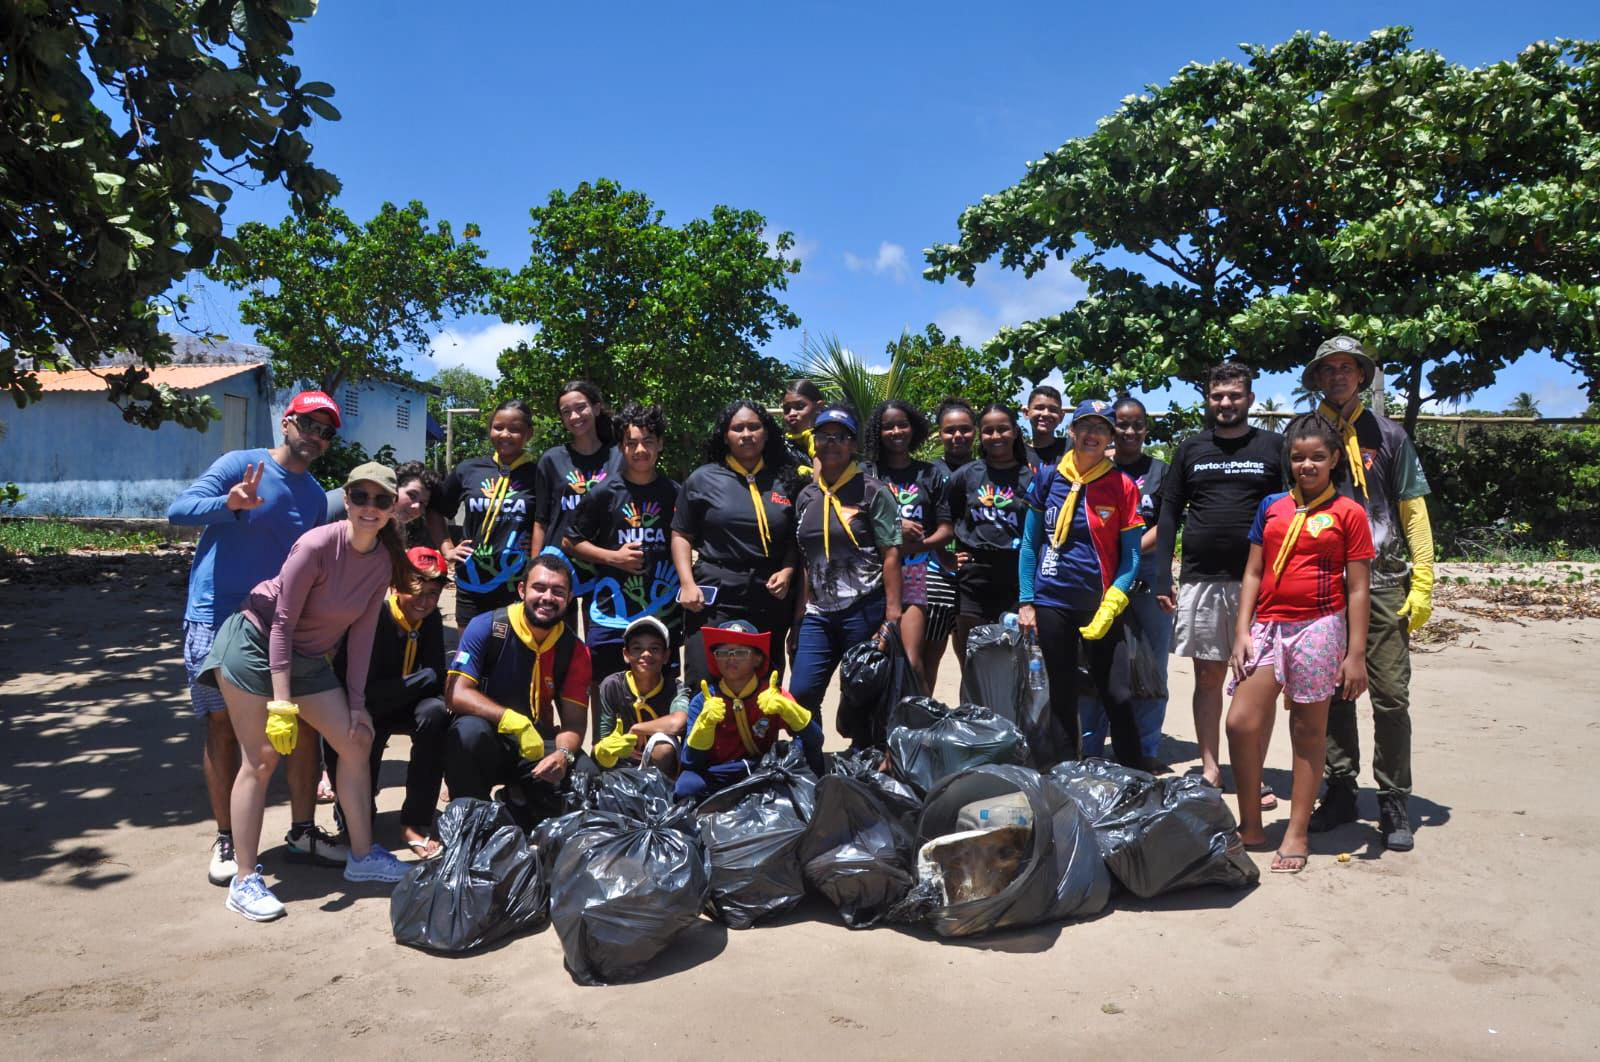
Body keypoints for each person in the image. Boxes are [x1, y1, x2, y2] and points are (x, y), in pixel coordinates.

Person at [198, 463, 418, 920]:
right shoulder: (317, 544)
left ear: (393, 508)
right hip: (254, 645)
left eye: (381, 500)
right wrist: (281, 703)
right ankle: (243, 879)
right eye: (360, 497)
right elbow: (281, 623)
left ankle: (361, 857)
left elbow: (360, 636)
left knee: (357, 738)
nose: (369, 508)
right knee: (261, 758)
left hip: (310, 659)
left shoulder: (382, 561)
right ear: (347, 497)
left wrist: (356, 704)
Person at [168, 389, 346, 887]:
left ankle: (304, 830)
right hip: (213, 616)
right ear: (286, 422)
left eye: (326, 431)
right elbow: (178, 511)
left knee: (302, 724)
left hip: (275, 624)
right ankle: (226, 836)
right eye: (308, 425)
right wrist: (229, 504)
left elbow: (305, 564)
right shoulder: (239, 464)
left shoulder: (313, 495)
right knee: (222, 726)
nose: (315, 436)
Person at [1226, 412, 1373, 873]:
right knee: (1241, 722)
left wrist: (1355, 654)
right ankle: (1250, 822)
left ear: (1333, 461)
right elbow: (1253, 571)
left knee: (1309, 730)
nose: (1306, 465)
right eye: (1297, 457)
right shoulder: (1271, 506)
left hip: (1320, 626)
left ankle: (1296, 831)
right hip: (1267, 625)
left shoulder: (1348, 512)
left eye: (1317, 457)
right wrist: (1241, 631)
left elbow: (1358, 587)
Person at [1305, 335, 1435, 851]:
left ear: (1363, 376)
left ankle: (1394, 796)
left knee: (1390, 694)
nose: (1338, 375)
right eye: (1328, 368)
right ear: (1317, 378)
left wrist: (1422, 576)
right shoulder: (1303, 434)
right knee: (1332, 692)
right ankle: (1339, 788)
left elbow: (1412, 506)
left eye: (1348, 367)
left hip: (1381, 581)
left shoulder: (1390, 435)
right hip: (1322, 583)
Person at [1153, 363, 1286, 794]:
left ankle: (1253, 773)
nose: (1225, 403)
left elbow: (1291, 511)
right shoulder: (1190, 449)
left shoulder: (1274, 447)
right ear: (1207, 399)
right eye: (1217, 396)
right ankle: (1210, 767)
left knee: (1255, 683)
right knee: (1207, 679)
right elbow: (1169, 513)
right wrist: (1161, 577)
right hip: (1201, 580)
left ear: (1249, 398)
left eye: (1234, 395)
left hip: (1261, 582)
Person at [1018, 400, 1146, 766]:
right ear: (1071, 431)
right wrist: (1028, 601)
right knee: (1062, 694)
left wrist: (1113, 602)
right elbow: (1030, 544)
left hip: (1101, 603)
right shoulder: (1047, 477)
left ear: (1111, 438)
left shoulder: (1121, 485)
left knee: (1117, 694)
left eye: (1101, 429)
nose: (1092, 435)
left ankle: (1134, 778)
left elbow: (1132, 557)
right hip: (1052, 599)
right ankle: (1064, 774)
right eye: (1085, 427)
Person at [442, 553, 593, 827]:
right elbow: (456, 693)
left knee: (585, 772)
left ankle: (519, 801)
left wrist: (564, 754)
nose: (548, 597)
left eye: (558, 591)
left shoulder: (575, 649)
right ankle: (470, 823)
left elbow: (573, 723)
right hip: (489, 737)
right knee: (466, 734)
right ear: (522, 590)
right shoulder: (487, 626)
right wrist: (511, 720)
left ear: (569, 599)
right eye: (539, 588)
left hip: (536, 744)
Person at [328, 545, 451, 860]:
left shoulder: (431, 619)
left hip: (403, 703)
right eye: (417, 592)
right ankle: (353, 811)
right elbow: (359, 687)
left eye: (433, 595)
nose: (424, 602)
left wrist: (417, 682)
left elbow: (436, 675)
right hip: (363, 709)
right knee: (357, 819)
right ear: (396, 586)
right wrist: (421, 679)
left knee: (436, 714)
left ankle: (415, 822)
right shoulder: (372, 617)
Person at [671, 399, 801, 690]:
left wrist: (789, 570)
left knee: (764, 684)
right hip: (715, 594)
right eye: (737, 428)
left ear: (766, 433)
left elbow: (795, 538)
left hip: (768, 595)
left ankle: (761, 736)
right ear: (725, 435)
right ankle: (699, 735)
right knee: (704, 678)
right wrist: (687, 583)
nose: (746, 434)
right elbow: (681, 534)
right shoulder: (703, 479)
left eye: (754, 427)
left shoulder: (786, 479)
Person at [788, 407, 904, 727]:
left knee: (863, 690)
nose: (831, 443)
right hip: (819, 614)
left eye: (841, 437)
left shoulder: (873, 491)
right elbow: (806, 561)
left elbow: (891, 553)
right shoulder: (806, 496)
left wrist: (892, 618)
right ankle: (809, 762)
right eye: (824, 435)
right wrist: (799, 619)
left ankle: (862, 763)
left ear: (853, 445)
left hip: (864, 608)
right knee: (801, 694)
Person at [1080, 394, 1173, 772]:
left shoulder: (1161, 472)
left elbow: (1165, 525)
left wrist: (1129, 555)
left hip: (1147, 574)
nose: (1130, 431)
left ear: (1146, 428)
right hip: (1102, 575)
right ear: (1109, 428)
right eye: (1122, 423)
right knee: (1096, 660)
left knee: (1153, 661)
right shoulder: (1095, 468)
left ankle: (1145, 748)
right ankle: (1090, 745)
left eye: (1138, 424)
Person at [564, 402, 682, 685]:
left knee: (662, 695)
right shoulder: (603, 493)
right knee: (606, 690)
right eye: (632, 443)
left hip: (663, 613)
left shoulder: (676, 493)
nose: (640, 450)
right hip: (610, 616)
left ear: (660, 444)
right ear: (621, 447)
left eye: (648, 442)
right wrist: (613, 557)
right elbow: (571, 540)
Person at [675, 621, 825, 801]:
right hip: (720, 771)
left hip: (763, 768)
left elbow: (815, 742)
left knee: (805, 753)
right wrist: (704, 725)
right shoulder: (703, 700)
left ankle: (817, 800)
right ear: (714, 658)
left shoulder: (773, 695)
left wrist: (790, 711)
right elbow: (690, 761)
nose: (731, 658)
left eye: (740, 652)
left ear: (758, 658)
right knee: (686, 786)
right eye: (723, 652)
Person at [934, 402, 1032, 668]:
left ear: (1014, 431)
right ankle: (972, 712)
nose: (996, 436)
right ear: (981, 435)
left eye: (1003, 429)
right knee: (973, 664)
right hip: (973, 581)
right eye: (989, 431)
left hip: (1015, 578)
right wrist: (945, 556)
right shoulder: (967, 475)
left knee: (1012, 665)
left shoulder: (1030, 479)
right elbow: (942, 520)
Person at [428, 398, 539, 631]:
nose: (505, 434)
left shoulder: (538, 474)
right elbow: (435, 509)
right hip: (471, 581)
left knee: (508, 654)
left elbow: (553, 519)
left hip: (515, 584)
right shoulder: (469, 469)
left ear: (529, 433)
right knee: (469, 655)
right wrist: (447, 548)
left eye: (515, 429)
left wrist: (540, 545)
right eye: (498, 427)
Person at [864, 399, 950, 690]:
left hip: (914, 572)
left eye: (903, 424)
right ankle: (876, 731)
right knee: (875, 660)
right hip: (871, 576)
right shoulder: (866, 472)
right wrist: (895, 529)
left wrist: (909, 548)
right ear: (878, 432)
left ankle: (921, 728)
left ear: (914, 429)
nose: (896, 431)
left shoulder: (930, 474)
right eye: (888, 427)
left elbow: (946, 531)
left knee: (913, 664)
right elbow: (851, 522)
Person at [531, 380, 622, 623]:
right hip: (559, 564)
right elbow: (541, 521)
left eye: (580, 407)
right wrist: (534, 568)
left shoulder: (619, 456)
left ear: (596, 407)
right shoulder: (551, 459)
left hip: (604, 562)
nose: (574, 416)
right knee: (559, 643)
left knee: (599, 641)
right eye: (566, 412)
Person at [923, 398, 976, 688]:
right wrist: (941, 555)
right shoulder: (929, 472)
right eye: (950, 430)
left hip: (975, 578)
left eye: (965, 429)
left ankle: (971, 725)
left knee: (972, 657)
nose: (957, 436)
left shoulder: (985, 471)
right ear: (939, 433)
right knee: (930, 655)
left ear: (975, 431)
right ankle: (925, 722)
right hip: (936, 576)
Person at [591, 616, 689, 774]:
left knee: (663, 747)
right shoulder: (611, 685)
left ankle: (661, 796)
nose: (646, 654)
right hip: (620, 764)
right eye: (637, 648)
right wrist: (609, 749)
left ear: (666, 656)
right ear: (626, 654)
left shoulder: (676, 688)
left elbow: (678, 723)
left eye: (655, 649)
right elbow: (600, 741)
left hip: (659, 762)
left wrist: (637, 729)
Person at [325, 460, 440, 548]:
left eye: (423, 503)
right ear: (394, 487)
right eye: (412, 495)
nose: (417, 507)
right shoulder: (336, 505)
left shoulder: (393, 525)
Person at [780, 379, 825, 475]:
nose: (792, 413)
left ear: (819, 406)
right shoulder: (779, 447)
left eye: (800, 406)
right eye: (787, 409)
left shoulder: (833, 441)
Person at [1023, 384, 1068, 471]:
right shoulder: (1017, 454)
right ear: (1026, 413)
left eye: (1053, 410)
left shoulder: (1071, 449)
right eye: (1039, 408)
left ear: (1061, 417)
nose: (1046, 414)